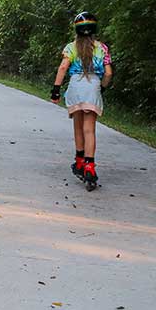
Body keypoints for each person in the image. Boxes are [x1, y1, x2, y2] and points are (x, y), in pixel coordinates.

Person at [50, 12, 112, 189]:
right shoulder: (102, 48)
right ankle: (90, 167)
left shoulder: (71, 47)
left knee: (78, 127)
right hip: (93, 86)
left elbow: (63, 67)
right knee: (89, 130)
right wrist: (102, 87)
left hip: (76, 87)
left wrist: (56, 90)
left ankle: (79, 162)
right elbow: (108, 73)